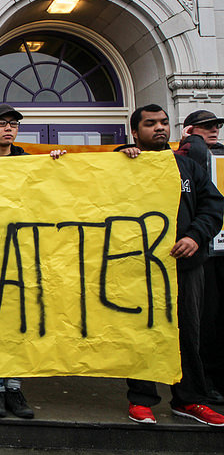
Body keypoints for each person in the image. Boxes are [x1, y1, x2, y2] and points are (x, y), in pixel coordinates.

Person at [119, 104, 224, 426]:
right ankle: (141, 399)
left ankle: (189, 399)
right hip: (139, 267)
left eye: (164, 122)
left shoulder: (188, 166)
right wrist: (118, 154)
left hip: (185, 267)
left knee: (187, 332)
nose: (160, 128)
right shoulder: (121, 164)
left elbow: (212, 206)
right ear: (135, 132)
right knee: (142, 331)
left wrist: (195, 237)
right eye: (150, 124)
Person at [0, 104, 64, 419]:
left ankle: (14, 388)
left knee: (20, 322)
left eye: (14, 125)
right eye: (2, 123)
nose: (9, 129)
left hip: (21, 252)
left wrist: (59, 167)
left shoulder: (27, 162)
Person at [176, 111, 224, 405]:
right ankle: (198, 385)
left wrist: (197, 234)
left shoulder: (215, 160)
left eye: (216, 126)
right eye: (207, 128)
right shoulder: (184, 157)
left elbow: (212, 204)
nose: (214, 131)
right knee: (200, 323)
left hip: (209, 250)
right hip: (196, 258)